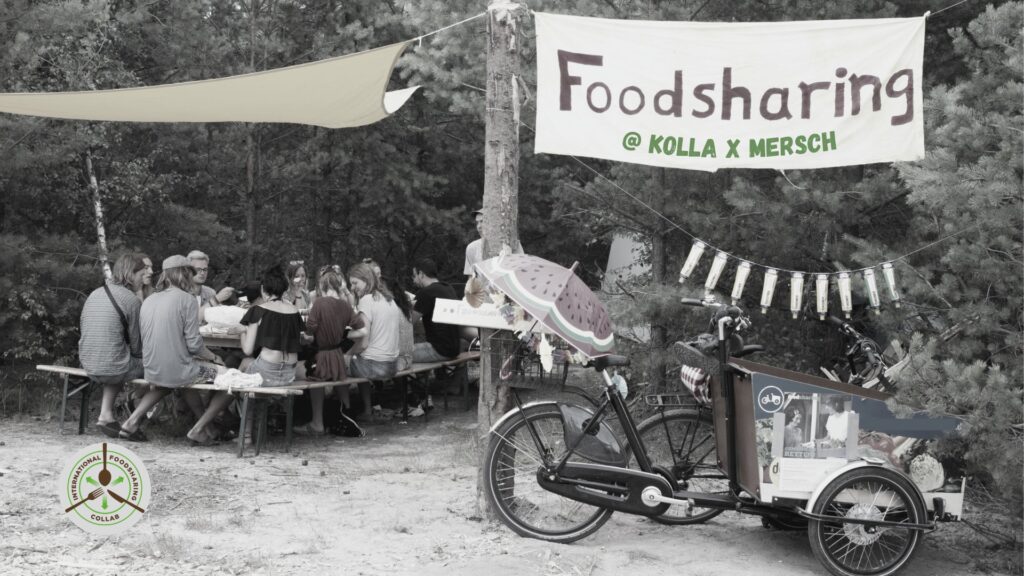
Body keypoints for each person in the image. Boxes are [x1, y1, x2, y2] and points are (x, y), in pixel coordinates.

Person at [120, 255, 228, 444]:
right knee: (231, 377)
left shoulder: (149, 300)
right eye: (190, 273)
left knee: (172, 380)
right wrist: (214, 357)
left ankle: (131, 422)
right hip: (178, 370)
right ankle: (199, 428)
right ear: (183, 274)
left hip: (152, 367)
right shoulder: (187, 300)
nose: (192, 277)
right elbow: (194, 345)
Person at [79, 253, 151, 437]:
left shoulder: (96, 293)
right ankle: (134, 415)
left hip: (88, 362)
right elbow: (137, 348)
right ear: (130, 274)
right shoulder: (131, 300)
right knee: (160, 369)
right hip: (111, 367)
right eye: (141, 273)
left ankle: (106, 414)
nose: (144, 277)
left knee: (117, 359)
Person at [296, 270, 366, 435]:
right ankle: (347, 415)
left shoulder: (319, 303)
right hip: (338, 359)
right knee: (339, 379)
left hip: (322, 359)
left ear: (322, 286)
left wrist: (305, 336)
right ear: (338, 286)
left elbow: (310, 332)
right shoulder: (345, 305)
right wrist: (343, 335)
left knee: (303, 372)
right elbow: (363, 331)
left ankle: (317, 423)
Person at [347, 262, 403, 420]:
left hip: (375, 366)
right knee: (356, 357)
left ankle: (344, 412)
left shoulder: (366, 300)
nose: (352, 288)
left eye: (355, 283)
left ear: (366, 280)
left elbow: (363, 343)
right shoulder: (389, 299)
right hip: (392, 365)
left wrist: (346, 353)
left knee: (336, 362)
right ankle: (367, 409)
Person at [240, 264, 306, 388]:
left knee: (245, 362)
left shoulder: (257, 310)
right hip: (289, 375)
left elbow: (248, 350)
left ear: (263, 289)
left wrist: (242, 331)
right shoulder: (294, 310)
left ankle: (240, 399)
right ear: (284, 289)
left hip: (266, 374)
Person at [411, 259, 460, 363]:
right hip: (455, 349)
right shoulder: (448, 288)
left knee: (398, 355)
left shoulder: (426, 292)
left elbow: (410, 322)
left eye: (414, 276)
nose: (414, 280)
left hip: (439, 350)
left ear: (421, 274)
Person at [187, 250, 233, 321]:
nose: (202, 273)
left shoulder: (210, 292)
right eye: (198, 269)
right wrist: (216, 299)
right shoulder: (179, 293)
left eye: (205, 269)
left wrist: (238, 306)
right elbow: (190, 320)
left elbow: (219, 316)